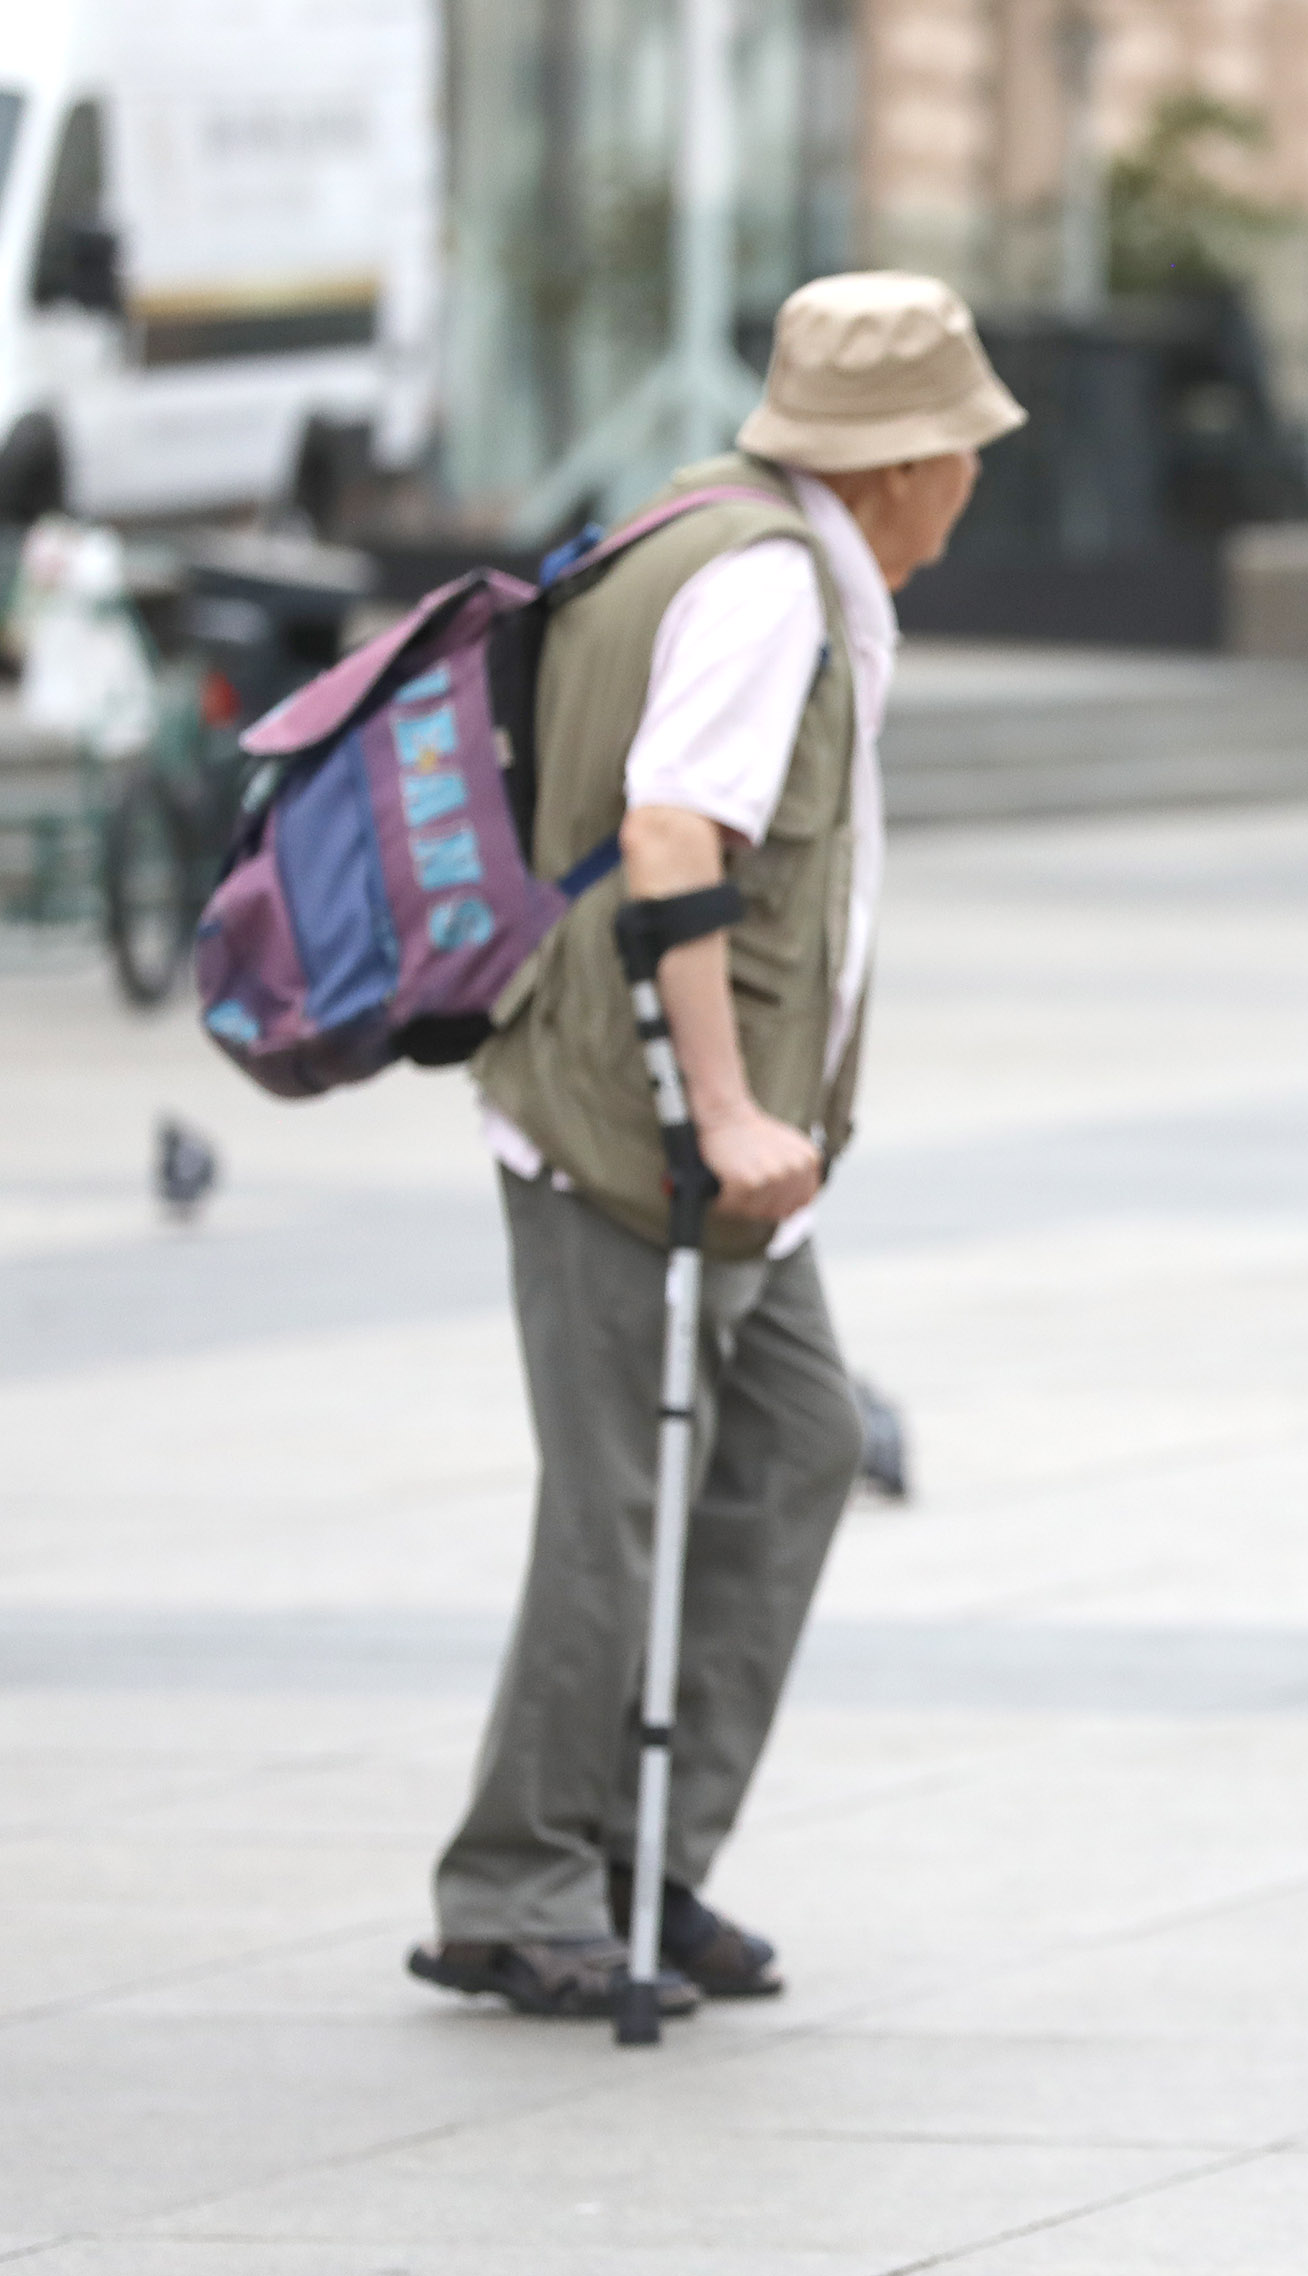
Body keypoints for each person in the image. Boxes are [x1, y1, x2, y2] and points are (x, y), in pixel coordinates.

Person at [405, 274, 1023, 2019]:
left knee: (802, 1437)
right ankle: (520, 1883)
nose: (973, 483)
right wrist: (736, 1107)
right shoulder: (761, 580)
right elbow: (674, 835)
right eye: (966, 449)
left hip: (699, 1134)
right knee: (613, 1502)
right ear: (904, 460)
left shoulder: (731, 531)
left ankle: (641, 1854)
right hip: (648, 1126)